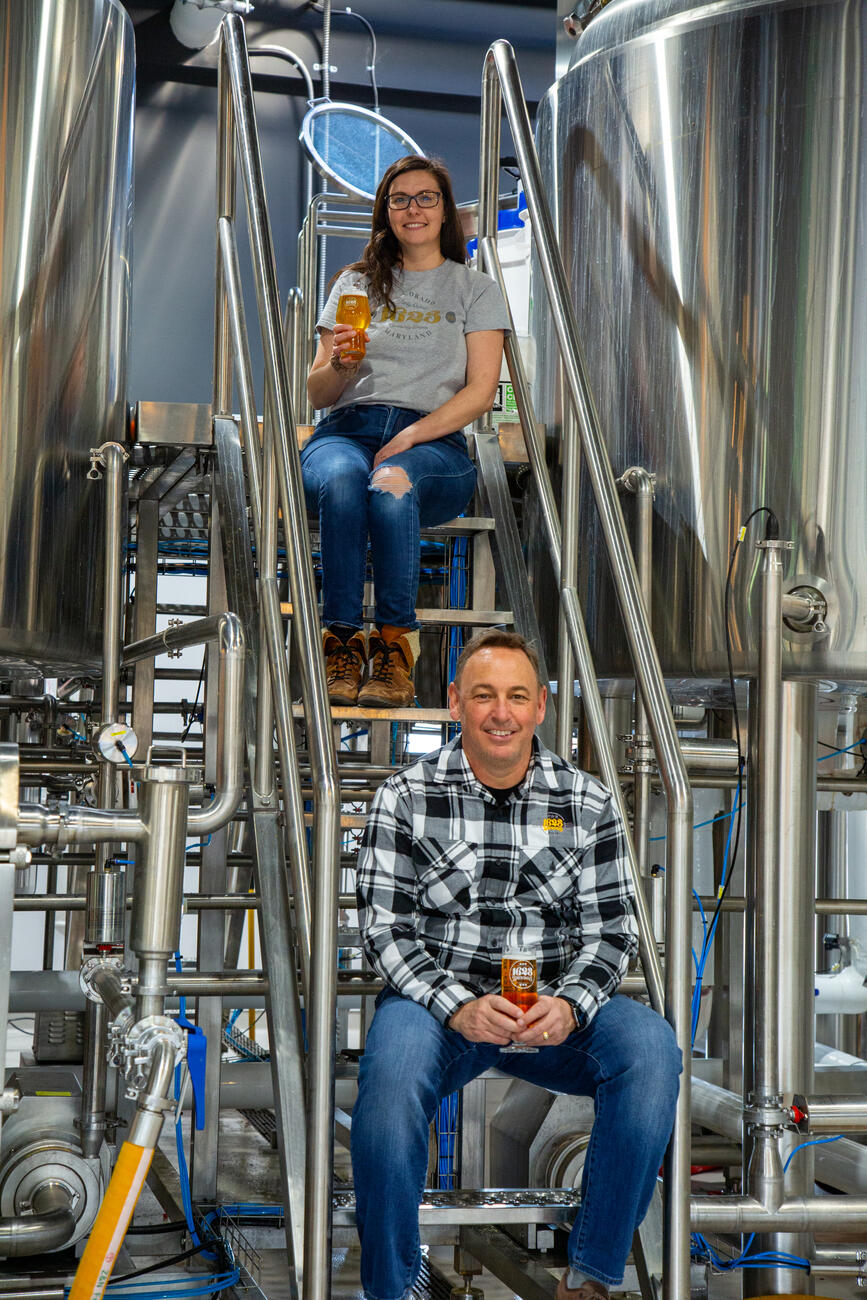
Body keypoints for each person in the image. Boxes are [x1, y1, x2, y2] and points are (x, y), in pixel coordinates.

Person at [353, 630, 682, 1300]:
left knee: (651, 1051)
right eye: (482, 696)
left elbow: (610, 933)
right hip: (440, 1011)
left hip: (552, 1012)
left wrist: (570, 1006)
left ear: (538, 707)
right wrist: (457, 1005)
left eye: (515, 697)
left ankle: (589, 1275)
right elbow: (384, 933)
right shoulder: (405, 797)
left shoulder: (584, 802)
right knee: (388, 1087)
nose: (499, 713)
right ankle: (389, 1287)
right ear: (454, 704)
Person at [303, 156, 509, 708]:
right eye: (400, 199)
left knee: (392, 485)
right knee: (345, 481)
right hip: (346, 430)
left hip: (434, 445)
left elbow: (480, 391)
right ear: (385, 212)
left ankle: (394, 649)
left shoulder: (475, 289)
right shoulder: (355, 282)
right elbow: (317, 393)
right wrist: (341, 366)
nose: (412, 209)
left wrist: (411, 437)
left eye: (426, 198)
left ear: (446, 212)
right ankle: (340, 645)